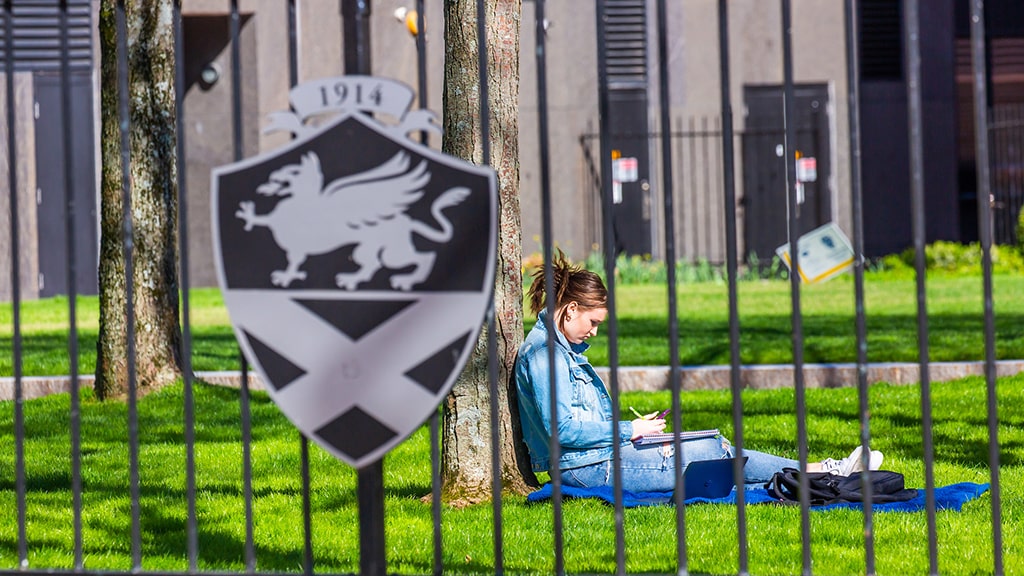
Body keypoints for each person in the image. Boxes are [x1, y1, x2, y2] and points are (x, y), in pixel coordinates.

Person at [514, 253, 883, 493]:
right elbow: (561, 430)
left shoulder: (562, 349)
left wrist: (635, 433)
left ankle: (819, 472)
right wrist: (632, 430)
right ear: (571, 309)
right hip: (584, 468)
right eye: (593, 323)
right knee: (710, 455)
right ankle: (825, 474)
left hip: (601, 455)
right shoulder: (546, 355)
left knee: (714, 448)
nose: (594, 332)